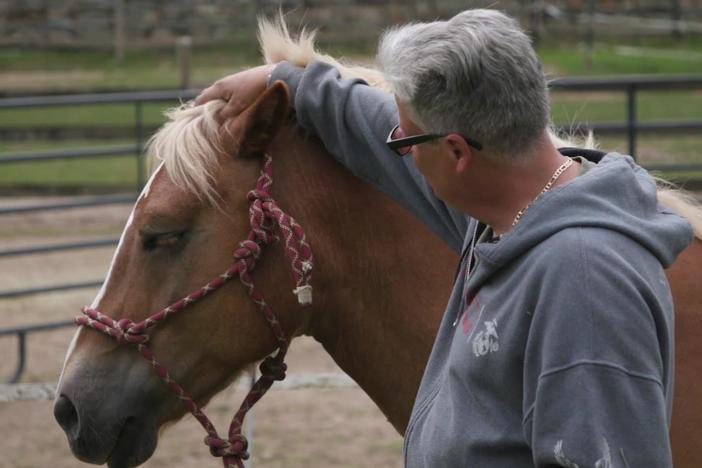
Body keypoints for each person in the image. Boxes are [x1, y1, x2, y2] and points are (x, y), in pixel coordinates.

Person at [196, 9, 693, 467]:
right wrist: (286, 81)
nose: (400, 153)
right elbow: (373, 126)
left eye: (407, 141)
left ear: (456, 152)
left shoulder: (583, 281)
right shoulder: (507, 210)